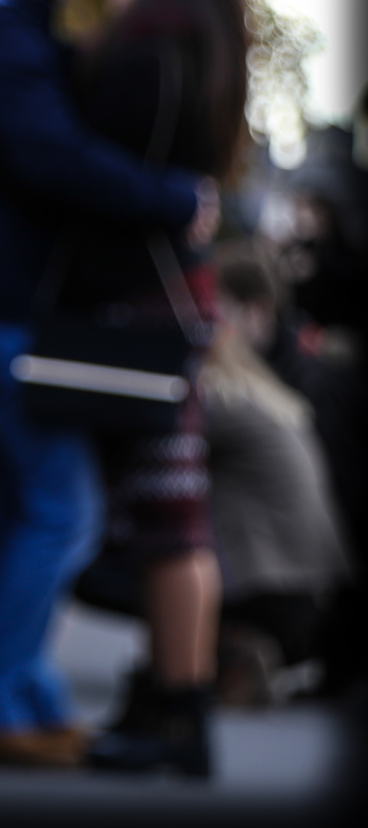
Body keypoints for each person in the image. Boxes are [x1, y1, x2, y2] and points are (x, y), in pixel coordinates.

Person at [0, 0, 250, 776]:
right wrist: (179, 200)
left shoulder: (0, 30)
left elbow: (47, 112)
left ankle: (21, 690)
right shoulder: (0, 35)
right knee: (63, 512)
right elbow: (55, 155)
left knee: (48, 508)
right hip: (17, 305)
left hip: (25, 303)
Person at [202, 242, 351, 704]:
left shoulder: (225, 390)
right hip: (318, 586)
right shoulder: (270, 382)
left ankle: (220, 644)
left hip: (275, 585)